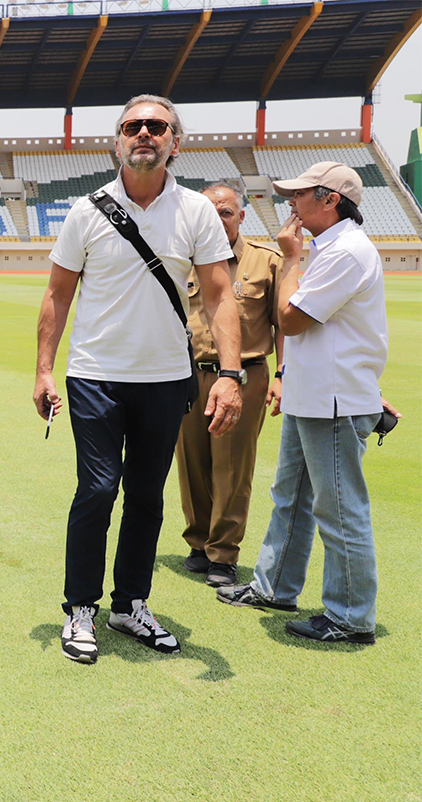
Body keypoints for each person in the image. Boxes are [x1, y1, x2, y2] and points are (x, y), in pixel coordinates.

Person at [33, 94, 244, 665]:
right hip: (96, 376)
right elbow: (58, 294)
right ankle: (81, 608)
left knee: (147, 497)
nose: (145, 133)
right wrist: (44, 370)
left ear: (176, 140)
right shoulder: (87, 210)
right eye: (134, 125)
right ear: (118, 139)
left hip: (166, 377)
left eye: (158, 126)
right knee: (98, 490)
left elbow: (222, 296)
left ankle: (130, 605)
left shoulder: (197, 211)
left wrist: (229, 373)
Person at [216, 162, 397, 645]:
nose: (289, 203)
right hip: (313, 395)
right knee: (291, 497)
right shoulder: (332, 248)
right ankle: (275, 586)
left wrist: (290, 261)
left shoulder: (346, 252)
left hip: (333, 401)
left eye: (299, 194)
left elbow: (292, 321)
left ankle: (351, 616)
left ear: (330, 199)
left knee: (340, 510)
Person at [175, 182, 285, 587]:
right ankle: (199, 541)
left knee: (233, 466)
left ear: (241, 216)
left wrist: (281, 375)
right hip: (187, 373)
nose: (218, 218)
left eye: (226, 211)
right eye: (209, 212)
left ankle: (223, 554)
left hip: (244, 374)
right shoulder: (180, 260)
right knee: (191, 463)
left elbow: (283, 324)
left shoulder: (264, 261)